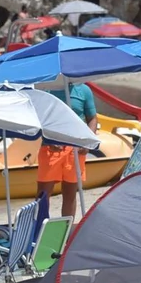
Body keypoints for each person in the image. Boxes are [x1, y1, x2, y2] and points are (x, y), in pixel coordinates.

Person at [38, 82, 98, 218]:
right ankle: (39, 231)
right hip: (51, 147)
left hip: (75, 149)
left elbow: (92, 118)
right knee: (43, 195)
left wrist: (88, 142)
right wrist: (49, 136)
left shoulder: (83, 90)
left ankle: (67, 230)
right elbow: (40, 119)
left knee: (70, 194)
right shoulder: (46, 89)